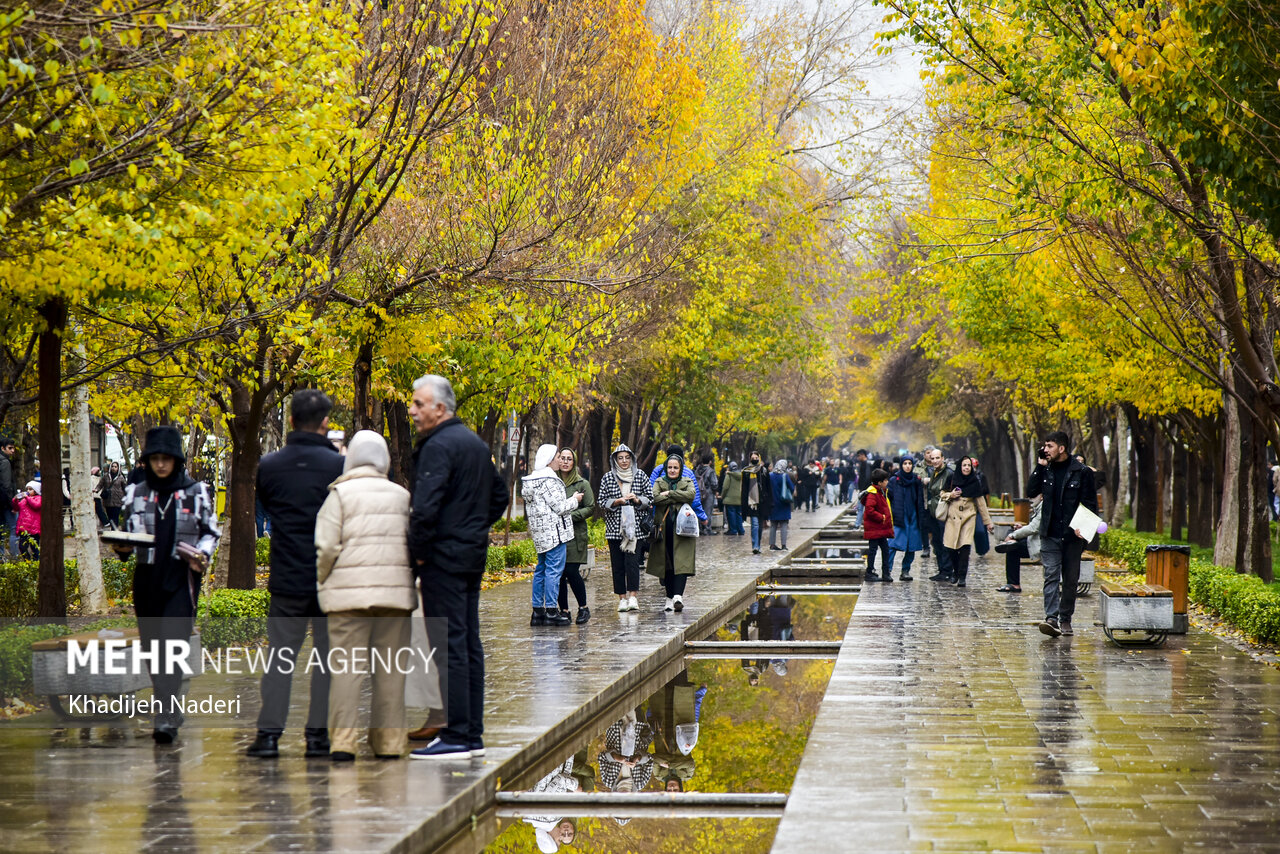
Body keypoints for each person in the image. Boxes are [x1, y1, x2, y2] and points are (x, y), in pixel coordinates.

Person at [407, 375, 509, 760]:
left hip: (443, 559)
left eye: (419, 404)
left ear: (440, 408)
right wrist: (472, 528)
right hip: (469, 555)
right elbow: (499, 495)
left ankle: (457, 737)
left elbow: (425, 509)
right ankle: (470, 734)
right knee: (467, 643)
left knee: (449, 645)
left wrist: (419, 554)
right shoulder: (474, 444)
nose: (413, 411)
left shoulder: (438, 446)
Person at [247, 389, 347, 759]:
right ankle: (317, 737)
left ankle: (269, 735)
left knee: (279, 659)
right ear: (324, 424)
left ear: (290, 420)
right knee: (325, 661)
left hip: (286, 576)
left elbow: (269, 507)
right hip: (328, 578)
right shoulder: (338, 468)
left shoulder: (270, 466)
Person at [110, 426, 220, 743]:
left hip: (181, 580)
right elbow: (126, 532)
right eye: (155, 459)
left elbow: (210, 532)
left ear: (177, 460)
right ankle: (170, 709)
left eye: (166, 459)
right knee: (153, 649)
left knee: (172, 646)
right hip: (146, 580)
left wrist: (203, 554)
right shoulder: (137, 493)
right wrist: (121, 547)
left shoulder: (195, 492)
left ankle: (164, 716)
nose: (160, 465)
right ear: (147, 460)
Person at [313, 430, 416, 761]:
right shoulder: (401, 496)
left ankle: (343, 743)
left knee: (346, 671)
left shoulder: (339, 495)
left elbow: (326, 546)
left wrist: (323, 580)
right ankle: (389, 745)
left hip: (347, 600)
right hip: (394, 598)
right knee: (390, 673)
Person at [1030, 432, 1099, 638]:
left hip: (1072, 535)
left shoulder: (1081, 472)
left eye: (1049, 446)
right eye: (1045, 445)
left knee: (1070, 579)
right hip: (1050, 532)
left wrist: (1083, 528)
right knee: (1050, 575)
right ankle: (1051, 618)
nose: (1046, 449)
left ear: (1061, 448)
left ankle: (1065, 618)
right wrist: (1039, 466)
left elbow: (1090, 504)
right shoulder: (1046, 469)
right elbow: (1030, 491)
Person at [523, 443, 581, 627]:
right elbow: (560, 507)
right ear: (549, 460)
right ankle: (551, 611)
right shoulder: (550, 480)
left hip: (540, 535)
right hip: (554, 534)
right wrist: (575, 499)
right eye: (557, 457)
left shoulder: (531, 481)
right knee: (554, 572)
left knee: (540, 570)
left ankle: (537, 612)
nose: (559, 460)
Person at [598, 443, 652, 612]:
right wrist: (616, 502)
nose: (624, 461)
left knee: (633, 563)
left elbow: (650, 498)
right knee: (618, 565)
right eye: (620, 458)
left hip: (635, 529)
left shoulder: (641, 476)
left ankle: (633, 597)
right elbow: (601, 501)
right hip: (615, 528)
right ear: (615, 460)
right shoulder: (608, 478)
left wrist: (636, 500)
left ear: (632, 459)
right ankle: (622, 598)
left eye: (627, 458)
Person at [648, 454, 697, 611]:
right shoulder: (659, 481)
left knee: (682, 563)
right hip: (663, 529)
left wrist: (669, 494)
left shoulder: (687, 481)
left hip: (683, 530)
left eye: (675, 467)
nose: (672, 470)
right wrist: (678, 498)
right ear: (665, 468)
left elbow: (690, 496)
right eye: (670, 467)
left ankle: (678, 596)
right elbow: (654, 498)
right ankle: (669, 598)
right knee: (666, 563)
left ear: (680, 468)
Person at [555, 447, 595, 625]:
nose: (565, 461)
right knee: (559, 573)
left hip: (575, 534)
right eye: (562, 458)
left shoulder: (582, 484)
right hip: (556, 535)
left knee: (571, 571)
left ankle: (584, 608)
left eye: (569, 459)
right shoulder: (553, 482)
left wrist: (571, 515)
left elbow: (590, 507)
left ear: (574, 462)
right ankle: (564, 610)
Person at [942, 456, 994, 588]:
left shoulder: (975, 481)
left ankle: (962, 576)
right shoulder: (952, 478)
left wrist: (988, 522)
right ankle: (955, 570)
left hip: (968, 517)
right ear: (960, 466)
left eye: (968, 466)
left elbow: (981, 503)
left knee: (965, 546)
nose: (966, 468)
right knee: (951, 547)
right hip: (952, 516)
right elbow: (942, 493)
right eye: (964, 465)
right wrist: (950, 495)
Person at [648, 444, 708, 527]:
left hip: (660, 515)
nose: (672, 470)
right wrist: (702, 517)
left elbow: (650, 492)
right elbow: (695, 499)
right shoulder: (688, 472)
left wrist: (668, 493)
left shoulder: (658, 470)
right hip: (682, 516)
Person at [886, 457, 925, 581]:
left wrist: (921, 516)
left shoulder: (916, 480)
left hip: (913, 515)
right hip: (899, 516)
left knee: (911, 545)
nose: (907, 466)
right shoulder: (894, 480)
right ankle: (887, 570)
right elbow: (889, 498)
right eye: (905, 463)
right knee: (893, 544)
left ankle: (905, 571)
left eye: (909, 463)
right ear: (901, 465)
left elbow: (920, 499)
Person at [996, 495, 1042, 593]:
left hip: (1043, 544)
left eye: (1034, 495)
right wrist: (1020, 529)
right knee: (1011, 534)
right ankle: (1009, 542)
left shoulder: (1044, 506)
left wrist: (1013, 535)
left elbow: (1034, 528)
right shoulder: (1039, 506)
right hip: (1036, 540)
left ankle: (1014, 584)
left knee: (1012, 548)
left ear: (1042, 496)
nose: (1031, 498)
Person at [922, 447, 955, 582]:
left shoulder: (948, 473)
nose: (935, 460)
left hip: (944, 511)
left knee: (944, 541)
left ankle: (947, 570)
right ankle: (942, 569)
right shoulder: (933, 473)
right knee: (936, 541)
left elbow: (954, 490)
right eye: (933, 458)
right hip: (933, 511)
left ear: (942, 458)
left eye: (937, 458)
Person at [861, 470, 893, 582]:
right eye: (885, 480)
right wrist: (882, 517)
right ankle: (870, 572)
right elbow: (869, 510)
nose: (887, 482)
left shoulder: (881, 491)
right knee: (873, 550)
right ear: (880, 482)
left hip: (880, 528)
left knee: (885, 549)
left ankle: (885, 572)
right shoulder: (873, 494)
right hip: (875, 528)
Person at [740, 451, 773, 555]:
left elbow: (768, 487)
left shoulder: (764, 471)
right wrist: (743, 503)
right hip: (751, 502)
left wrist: (770, 501)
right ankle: (755, 546)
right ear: (750, 459)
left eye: (756, 457)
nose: (754, 459)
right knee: (754, 524)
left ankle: (758, 543)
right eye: (752, 457)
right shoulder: (746, 471)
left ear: (759, 458)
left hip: (762, 502)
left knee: (759, 525)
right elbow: (744, 489)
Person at [768, 459, 796, 551]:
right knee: (784, 524)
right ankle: (783, 545)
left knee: (773, 525)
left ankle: (772, 544)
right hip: (783, 503)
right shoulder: (785, 476)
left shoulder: (770, 475)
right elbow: (791, 488)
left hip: (772, 503)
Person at [14, 481, 41, 559]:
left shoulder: (39, 498)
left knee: (34, 548)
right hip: (24, 528)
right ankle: (27, 562)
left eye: (30, 489)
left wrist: (27, 497)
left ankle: (36, 562)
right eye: (27, 489)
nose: (28, 491)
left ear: (36, 490)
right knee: (22, 547)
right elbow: (17, 508)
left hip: (34, 529)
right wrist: (15, 500)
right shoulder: (25, 500)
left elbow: (36, 505)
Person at [0, 437, 18, 557]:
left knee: (1, 530)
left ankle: (1, 555)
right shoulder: (5, 462)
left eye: (13, 448)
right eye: (10, 448)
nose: (13, 451)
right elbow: (7, 485)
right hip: (5, 502)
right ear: (2, 448)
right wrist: (13, 505)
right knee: (14, 529)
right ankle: (15, 557)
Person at [694, 454, 719, 535]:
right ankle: (707, 529)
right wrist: (716, 491)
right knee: (707, 511)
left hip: (698, 493)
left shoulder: (697, 470)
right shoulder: (710, 471)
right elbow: (714, 483)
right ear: (710, 462)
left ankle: (699, 529)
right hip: (708, 493)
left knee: (699, 510)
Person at [97, 461, 127, 530]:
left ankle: (114, 530)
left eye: (115, 467)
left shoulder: (121, 477)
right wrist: (96, 490)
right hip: (108, 500)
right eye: (112, 466)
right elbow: (100, 484)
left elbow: (125, 487)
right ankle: (112, 529)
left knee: (115, 516)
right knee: (110, 516)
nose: (114, 468)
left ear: (118, 468)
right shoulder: (106, 476)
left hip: (118, 500)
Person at [720, 461, 744, 534]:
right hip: (739, 498)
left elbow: (725, 487)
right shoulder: (741, 475)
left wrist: (722, 496)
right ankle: (741, 530)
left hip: (729, 499)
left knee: (731, 515)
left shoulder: (729, 475)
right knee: (739, 514)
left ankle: (733, 530)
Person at [853, 450, 872, 528]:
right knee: (861, 507)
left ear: (863, 455)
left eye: (858, 456)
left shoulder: (866, 465)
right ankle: (858, 524)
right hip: (865, 489)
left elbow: (867, 477)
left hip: (865, 490)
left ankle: (858, 524)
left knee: (861, 507)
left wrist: (863, 489)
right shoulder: (864, 464)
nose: (858, 458)